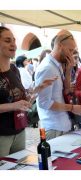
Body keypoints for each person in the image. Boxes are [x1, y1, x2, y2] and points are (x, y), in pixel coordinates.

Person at [0, 26, 56, 157]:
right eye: (7, 40)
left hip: (19, 131)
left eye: (13, 40)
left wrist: (39, 88)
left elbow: (23, 98)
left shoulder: (14, 69)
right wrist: (13, 106)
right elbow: (15, 104)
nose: (13, 44)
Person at [35, 32, 81, 140]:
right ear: (60, 46)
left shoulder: (57, 65)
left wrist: (68, 70)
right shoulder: (47, 68)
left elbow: (66, 91)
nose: (71, 54)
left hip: (61, 125)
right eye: (70, 50)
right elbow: (44, 103)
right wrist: (72, 108)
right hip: (54, 127)